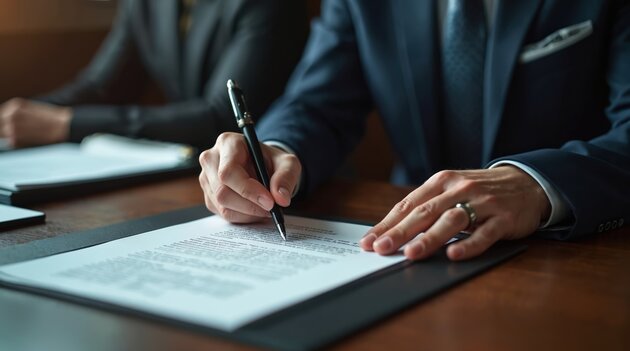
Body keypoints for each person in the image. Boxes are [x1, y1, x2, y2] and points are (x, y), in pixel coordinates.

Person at [198, 0, 630, 261]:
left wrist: (535, 185)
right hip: (404, 242)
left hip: (569, 252)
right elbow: (317, 102)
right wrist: (272, 151)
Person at [0, 0, 307, 150]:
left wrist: (67, 125)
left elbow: (220, 117)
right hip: (186, 173)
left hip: (280, 171)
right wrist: (18, 118)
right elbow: (100, 87)